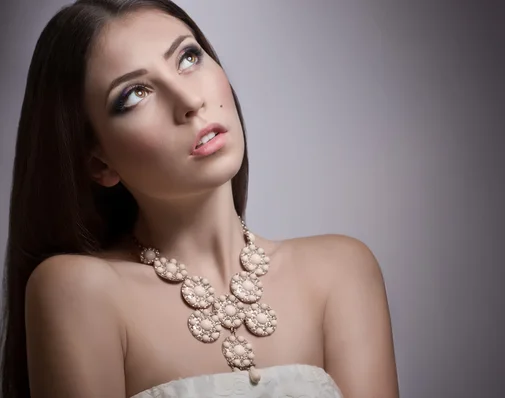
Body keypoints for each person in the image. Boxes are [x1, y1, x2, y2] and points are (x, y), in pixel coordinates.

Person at [0, 0, 399, 397]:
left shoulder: (342, 272)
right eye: (135, 94)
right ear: (98, 163)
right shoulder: (78, 291)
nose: (189, 101)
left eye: (188, 58)